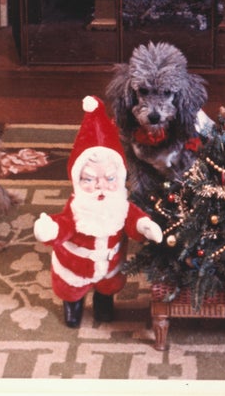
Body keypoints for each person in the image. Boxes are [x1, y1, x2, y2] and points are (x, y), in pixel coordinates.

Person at [34, 95, 163, 328]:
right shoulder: (78, 207)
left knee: (108, 286)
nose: (101, 186)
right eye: (90, 179)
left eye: (110, 178)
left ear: (120, 176)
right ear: (77, 178)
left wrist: (146, 226)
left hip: (110, 264)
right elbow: (63, 225)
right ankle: (72, 306)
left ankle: (104, 303)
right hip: (76, 267)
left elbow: (134, 220)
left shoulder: (120, 204)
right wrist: (50, 229)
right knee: (72, 288)